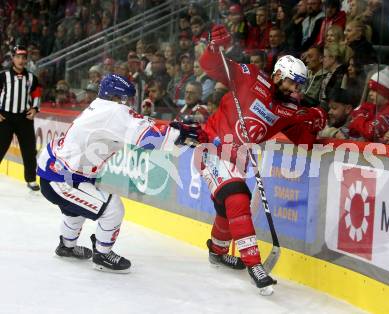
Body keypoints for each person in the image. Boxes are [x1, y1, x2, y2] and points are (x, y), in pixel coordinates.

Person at [198, 25, 327, 293]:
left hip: (238, 159)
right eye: (293, 82)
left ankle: (218, 251)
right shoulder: (250, 76)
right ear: (279, 74)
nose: (295, 89)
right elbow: (211, 66)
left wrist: (315, 120)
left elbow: (305, 141)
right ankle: (254, 264)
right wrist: (213, 47)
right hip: (212, 147)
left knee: (227, 208)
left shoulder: (288, 109)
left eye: (299, 86)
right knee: (237, 197)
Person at [37, 74, 206, 273]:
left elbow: (138, 125)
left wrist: (171, 129)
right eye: (124, 99)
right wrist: (181, 134)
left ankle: (66, 246)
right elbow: (147, 136)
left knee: (75, 210)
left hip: (56, 172)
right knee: (112, 209)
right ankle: (102, 253)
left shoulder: (101, 107)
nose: (127, 104)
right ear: (115, 97)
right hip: (62, 178)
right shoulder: (113, 112)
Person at [0, 45, 41, 191]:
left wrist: (35, 109)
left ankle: (31, 179)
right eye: (18, 57)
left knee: (29, 150)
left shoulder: (31, 78)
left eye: (24, 57)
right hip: (5, 118)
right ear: (13, 59)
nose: (21, 60)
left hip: (24, 119)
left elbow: (36, 94)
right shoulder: (3, 76)